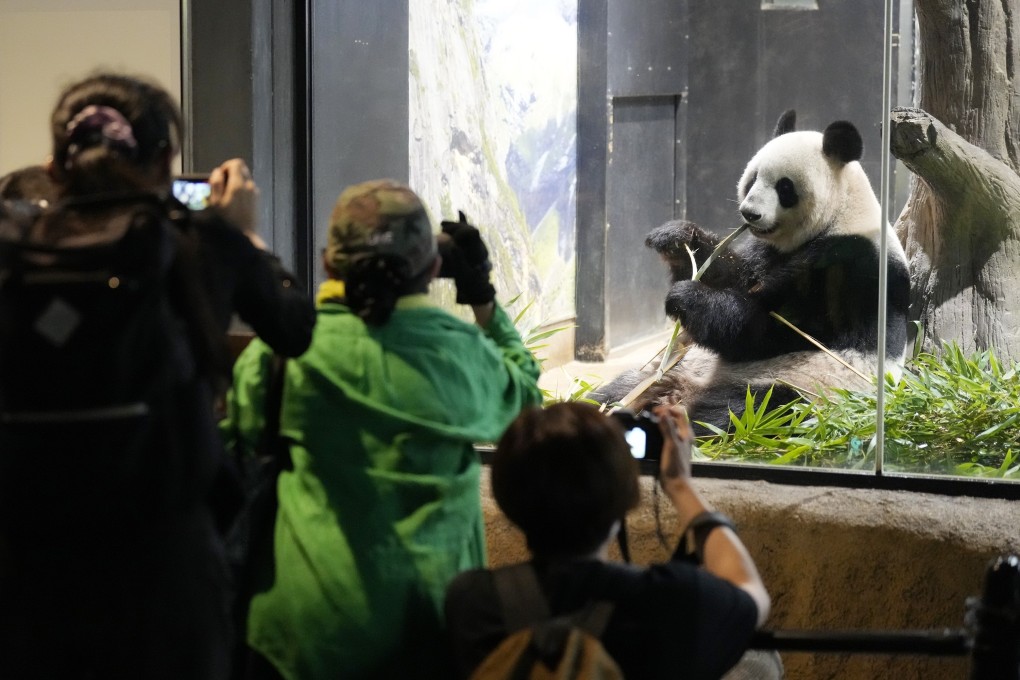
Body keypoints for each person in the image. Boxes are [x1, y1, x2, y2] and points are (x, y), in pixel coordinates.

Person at [0, 72, 314, 680]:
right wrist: (244, 234)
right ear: (165, 160)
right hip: (163, 567)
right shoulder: (196, 242)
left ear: (55, 163)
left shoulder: (12, 251)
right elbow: (296, 329)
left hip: (25, 562)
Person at [222, 178, 544, 680]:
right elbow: (525, 397)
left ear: (330, 263)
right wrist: (480, 293)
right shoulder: (461, 357)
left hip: (302, 636)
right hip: (431, 631)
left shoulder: (281, 354)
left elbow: (236, 441)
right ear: (435, 268)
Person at [445, 402, 776, 680]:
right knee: (761, 660)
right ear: (626, 499)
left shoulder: (470, 601)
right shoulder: (668, 601)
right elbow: (751, 593)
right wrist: (680, 486)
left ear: (505, 499)